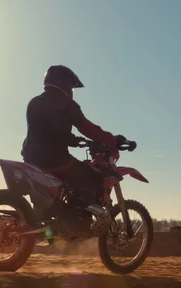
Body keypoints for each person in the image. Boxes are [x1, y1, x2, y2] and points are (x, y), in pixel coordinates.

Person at [21, 65, 128, 227]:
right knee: (92, 177)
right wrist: (113, 140)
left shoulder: (35, 102)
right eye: (71, 86)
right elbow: (88, 128)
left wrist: (73, 140)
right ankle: (75, 220)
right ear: (63, 83)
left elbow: (48, 129)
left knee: (69, 181)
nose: (72, 91)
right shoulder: (68, 105)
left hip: (30, 156)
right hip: (55, 158)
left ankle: (56, 213)